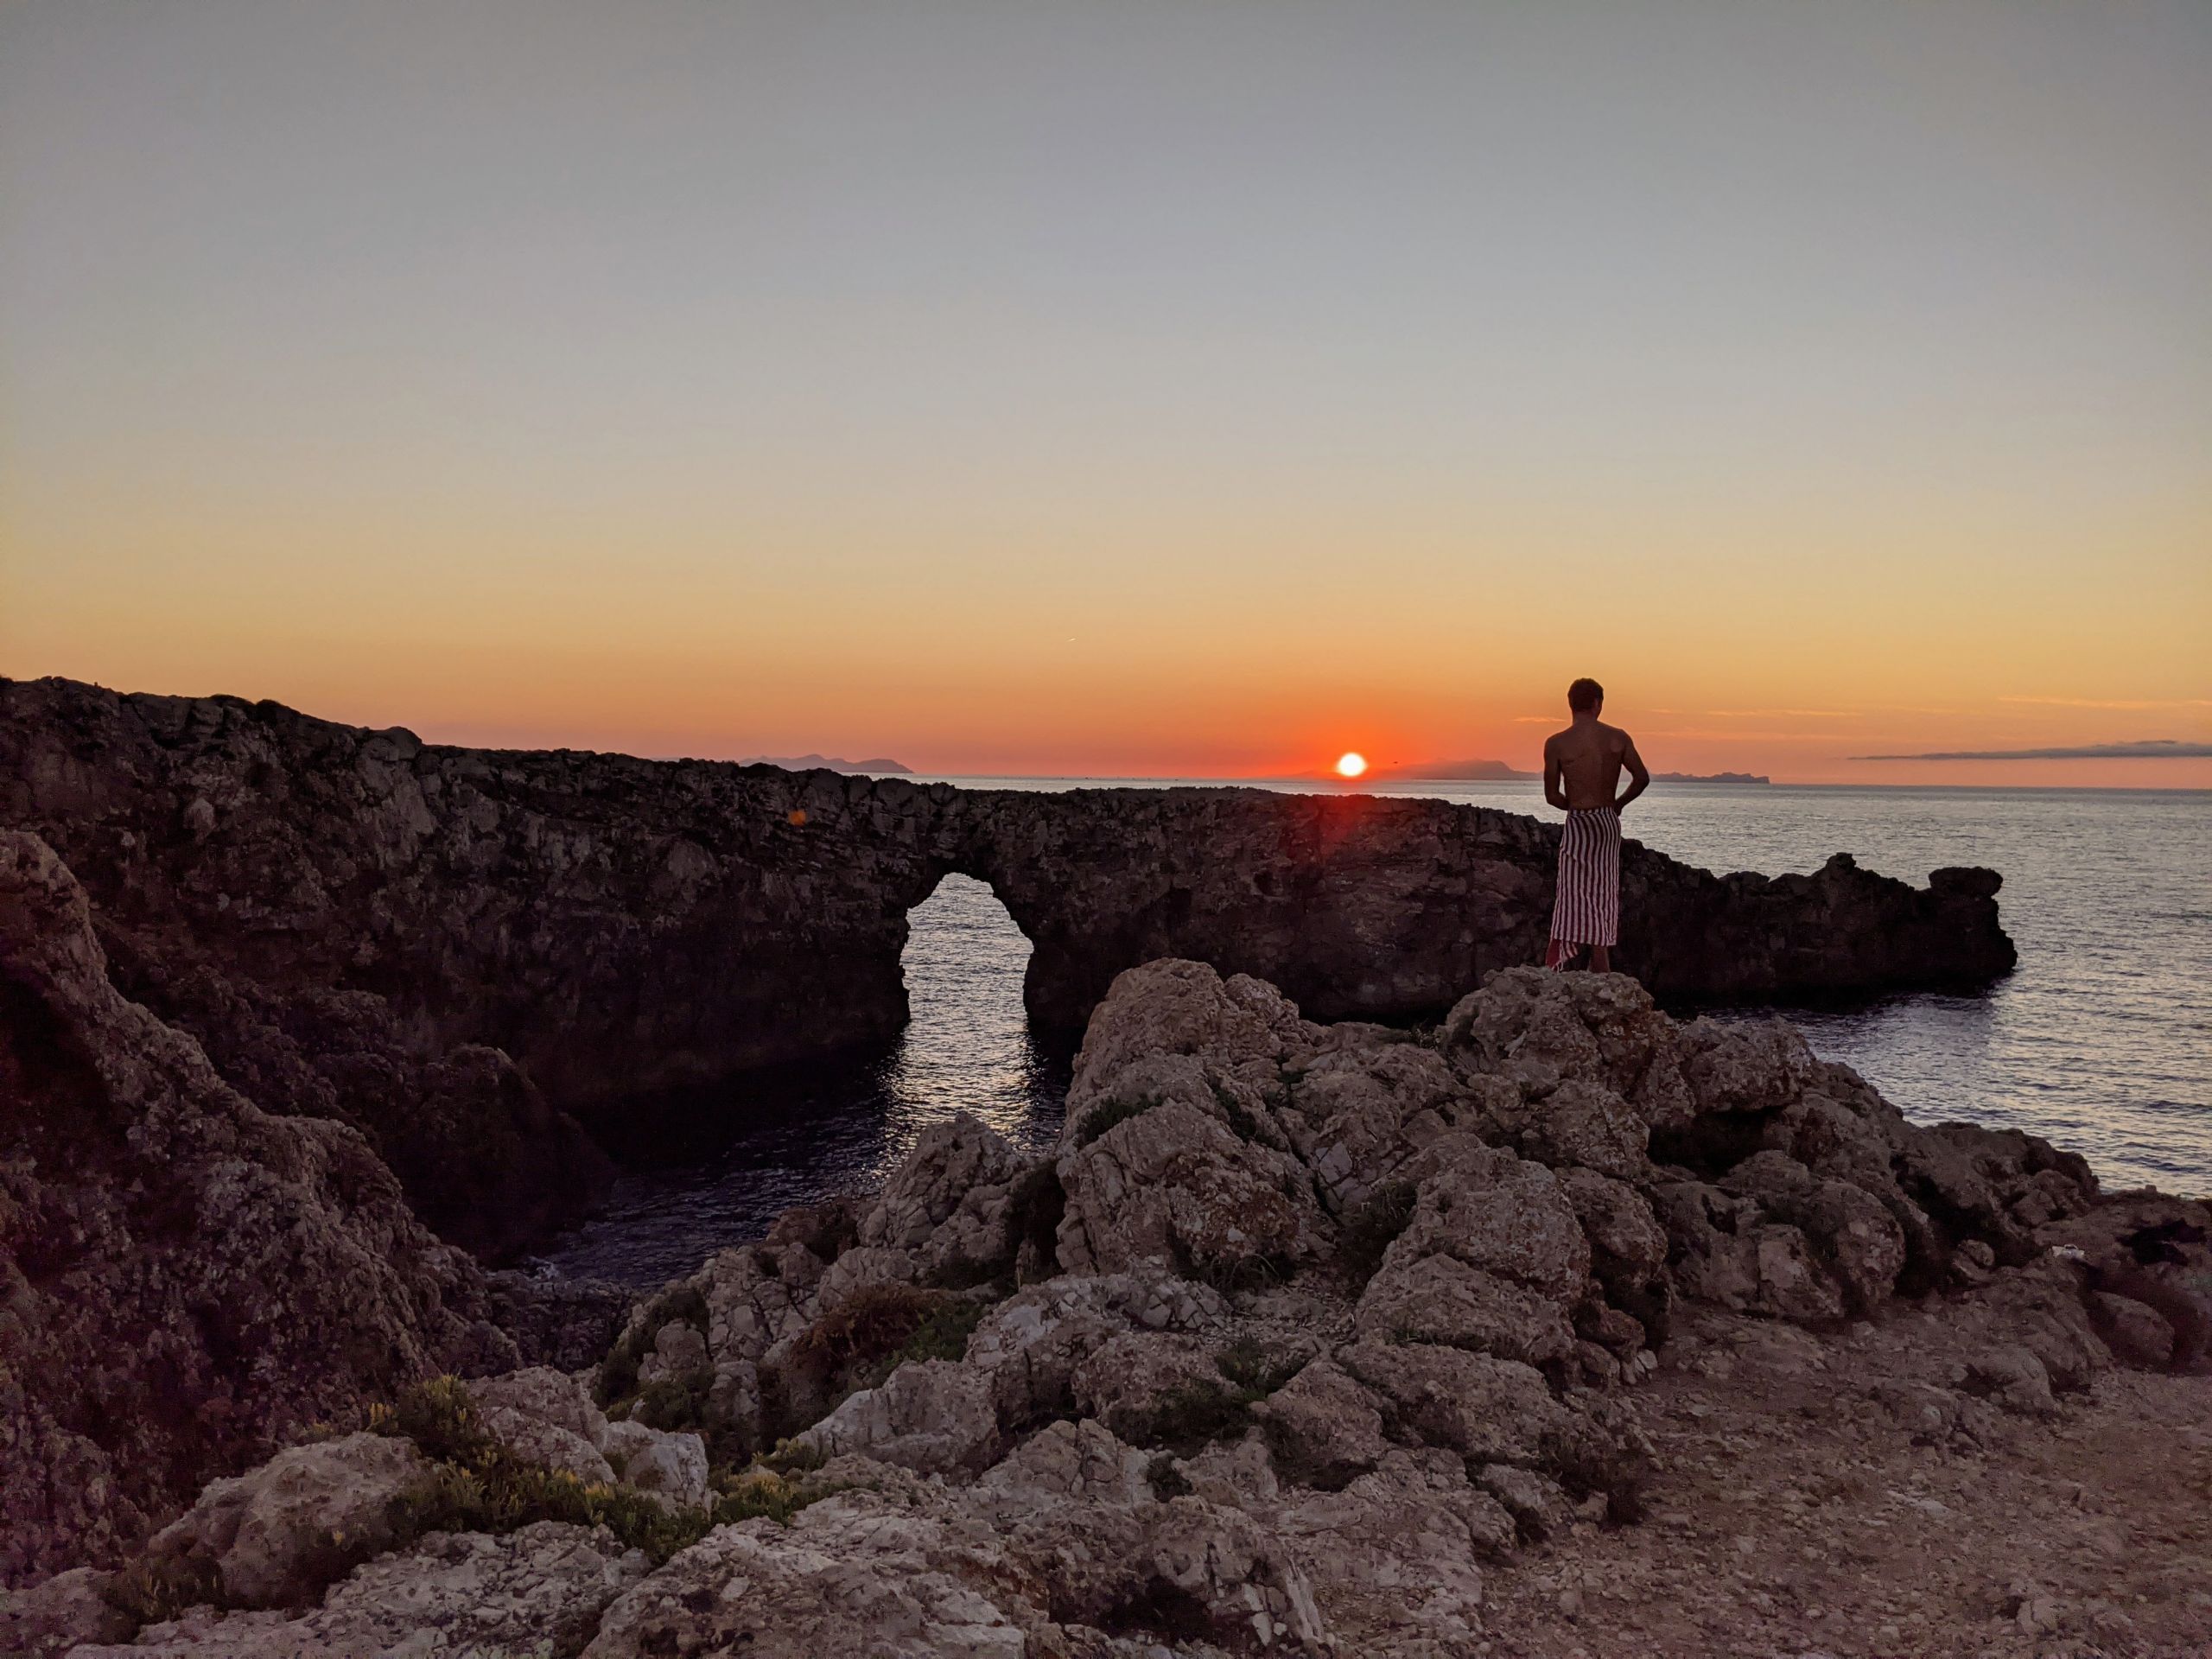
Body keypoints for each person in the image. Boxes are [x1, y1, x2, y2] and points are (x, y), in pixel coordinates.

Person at [1541, 677, 1648, 972]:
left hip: (1579, 819)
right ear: (1598, 704)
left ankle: (1570, 959)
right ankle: (1600, 961)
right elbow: (1641, 778)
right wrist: (1619, 804)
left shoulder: (1556, 743)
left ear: (1570, 704)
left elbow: (1552, 796)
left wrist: (1574, 805)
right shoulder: (1618, 737)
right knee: (1603, 889)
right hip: (1607, 820)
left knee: (1573, 890)